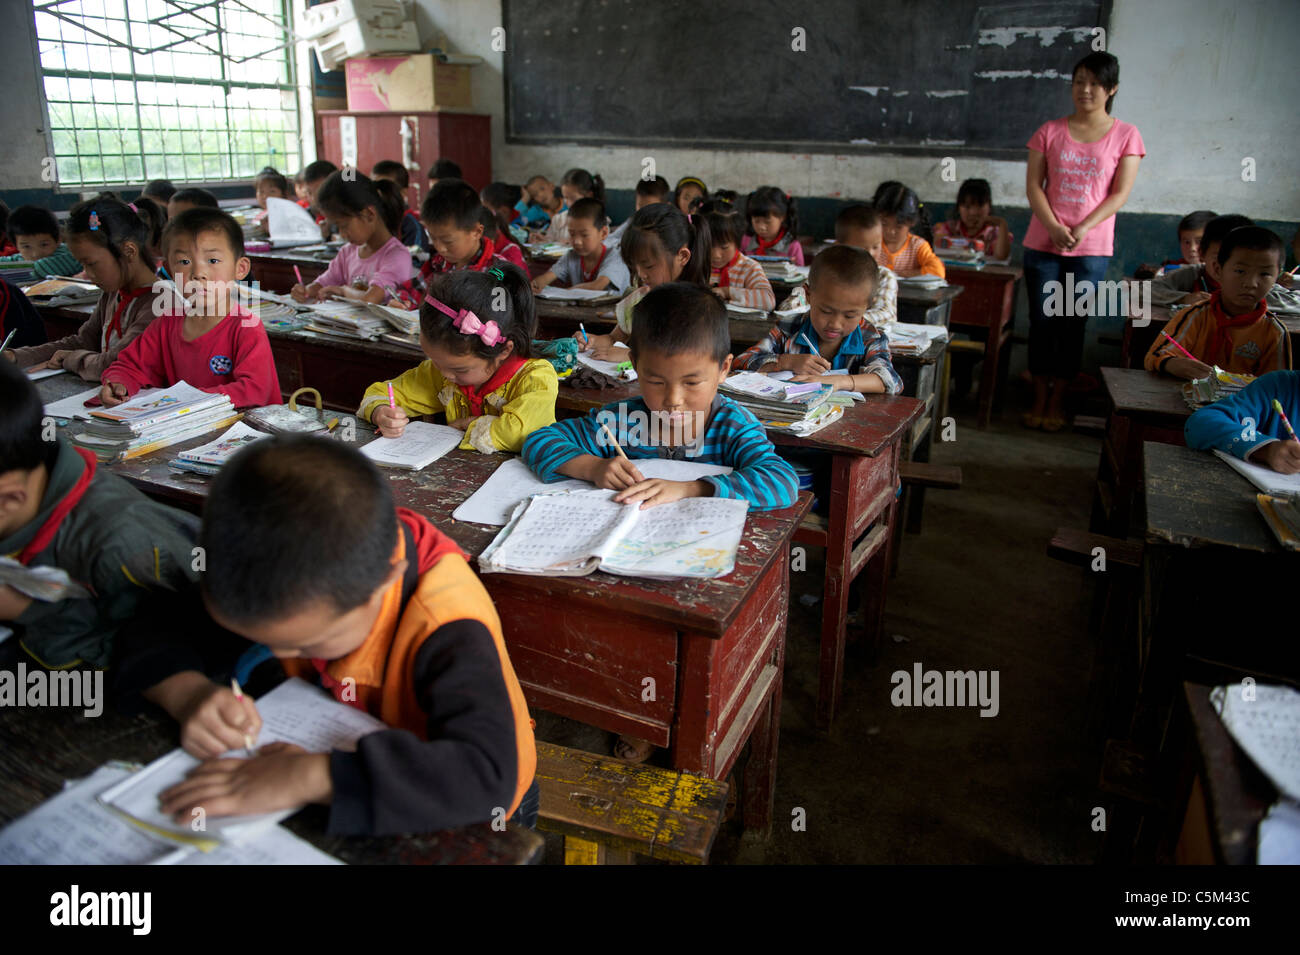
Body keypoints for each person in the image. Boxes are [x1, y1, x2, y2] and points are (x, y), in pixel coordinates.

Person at [117, 435, 538, 834]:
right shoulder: (265, 570)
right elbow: (154, 621)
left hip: (470, 811)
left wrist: (308, 776)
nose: (282, 653)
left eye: (306, 644)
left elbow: (486, 777)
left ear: (383, 583)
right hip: (335, 739)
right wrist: (186, 693)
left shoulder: (446, 624)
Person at [0, 359, 200, 670]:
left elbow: (160, 657)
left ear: (9, 498)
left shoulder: (123, 550)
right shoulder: (24, 474)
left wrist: (26, 610)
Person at [1022, 50, 1144, 431]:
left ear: (1111, 89)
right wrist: (1055, 227)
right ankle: (1039, 398)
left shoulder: (1127, 135)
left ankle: (1058, 402)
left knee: (1072, 324)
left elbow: (1119, 194)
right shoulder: (1049, 131)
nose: (1085, 90)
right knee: (1042, 324)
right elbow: (1033, 186)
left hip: (1090, 250)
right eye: (1079, 82)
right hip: (1043, 244)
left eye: (1094, 83)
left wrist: (1083, 227)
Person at [360, 266, 558, 454]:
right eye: (436, 362)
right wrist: (381, 411)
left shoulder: (535, 377)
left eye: (460, 370)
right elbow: (381, 392)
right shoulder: (441, 372)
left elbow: (522, 433)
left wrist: (468, 425)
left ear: (504, 351)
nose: (445, 374)